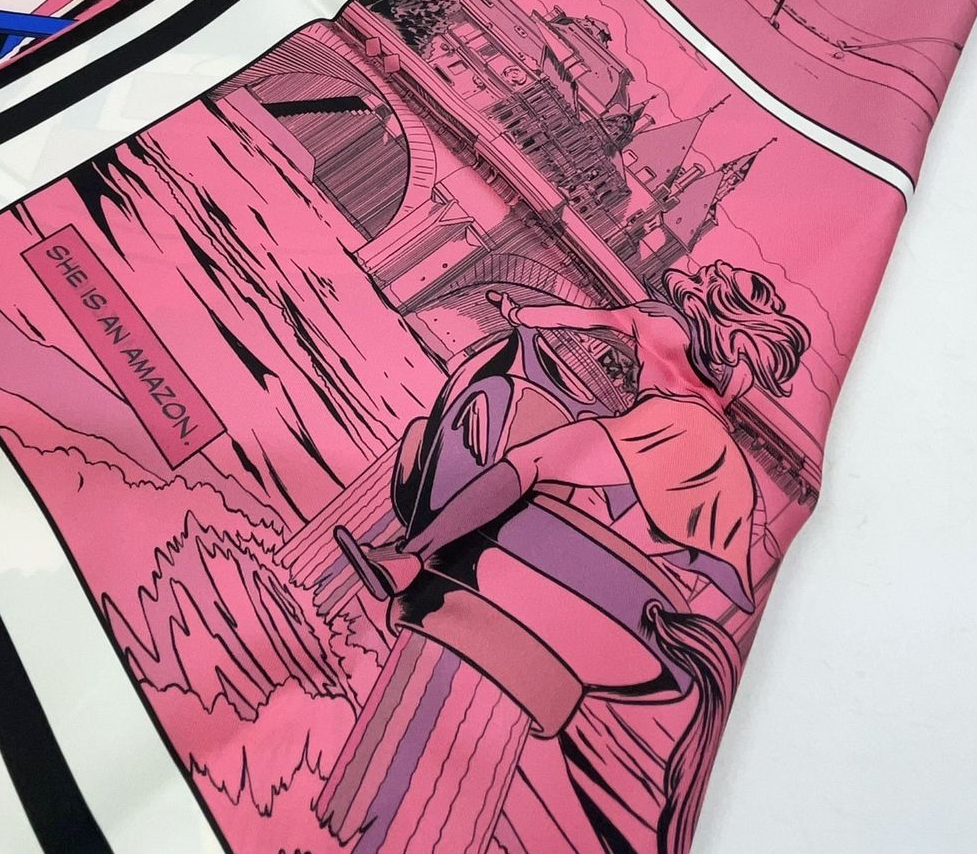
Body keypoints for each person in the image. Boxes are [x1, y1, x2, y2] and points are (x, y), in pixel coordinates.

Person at [338, 262, 810, 614]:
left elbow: (578, 317)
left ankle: (409, 558)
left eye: (709, 276)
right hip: (717, 460)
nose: (700, 273)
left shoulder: (657, 319)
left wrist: (517, 311)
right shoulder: (738, 373)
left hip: (664, 427)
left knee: (532, 462)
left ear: (714, 294)